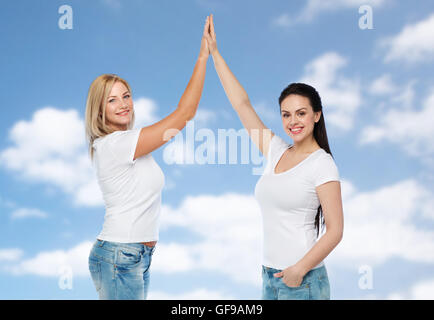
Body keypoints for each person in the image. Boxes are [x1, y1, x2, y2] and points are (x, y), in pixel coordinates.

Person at [203, 14, 344, 300]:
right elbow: (242, 105)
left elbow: (336, 230)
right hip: (270, 276)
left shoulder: (322, 164)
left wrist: (299, 269)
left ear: (316, 116)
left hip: (302, 280)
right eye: (286, 114)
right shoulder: (276, 150)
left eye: (301, 113)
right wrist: (215, 54)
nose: (293, 121)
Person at [84, 16, 211, 300]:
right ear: (99, 110)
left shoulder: (129, 145)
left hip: (136, 254)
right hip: (120, 255)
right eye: (112, 99)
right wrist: (203, 57)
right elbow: (184, 114)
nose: (123, 104)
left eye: (126, 96)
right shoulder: (116, 145)